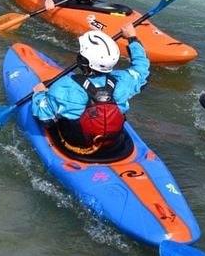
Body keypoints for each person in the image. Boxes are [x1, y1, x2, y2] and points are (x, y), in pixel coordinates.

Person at [31, 24, 150, 159]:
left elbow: (45, 119)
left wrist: (39, 94)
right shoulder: (124, 81)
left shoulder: (65, 87)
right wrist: (132, 38)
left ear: (83, 61)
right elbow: (142, 69)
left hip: (76, 147)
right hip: (114, 146)